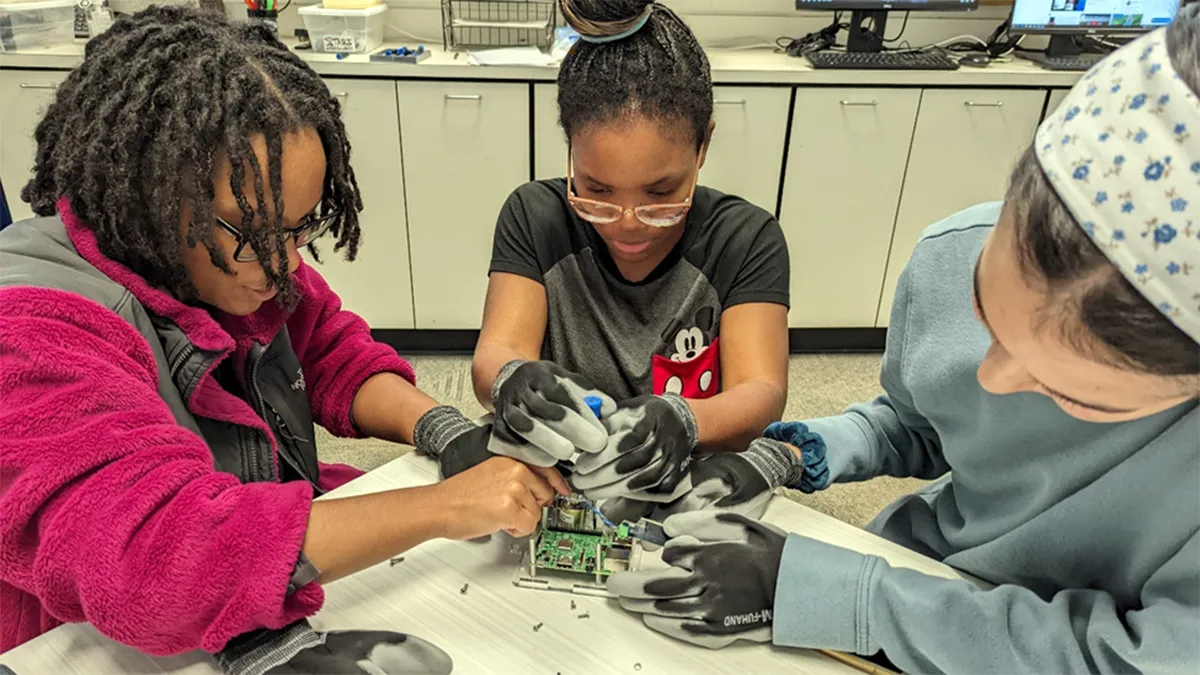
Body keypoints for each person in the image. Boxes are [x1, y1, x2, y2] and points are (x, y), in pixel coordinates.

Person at [608, 12, 1200, 672]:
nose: (992, 379)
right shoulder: (949, 251)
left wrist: (843, 599)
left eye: (1069, 389)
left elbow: (1127, 659)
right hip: (911, 571)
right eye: (985, 312)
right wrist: (789, 455)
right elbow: (920, 421)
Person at [0, 8, 567, 669]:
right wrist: (442, 505)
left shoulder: (222, 262)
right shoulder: (32, 331)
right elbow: (161, 561)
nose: (289, 266)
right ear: (154, 197)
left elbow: (328, 347)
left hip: (244, 586)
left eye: (301, 228)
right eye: (260, 235)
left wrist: (441, 427)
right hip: (83, 643)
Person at [452, 0, 797, 516]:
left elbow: (762, 390)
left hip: (686, 476)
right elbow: (495, 355)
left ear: (703, 147)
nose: (628, 221)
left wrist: (686, 419)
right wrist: (511, 379)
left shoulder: (746, 239)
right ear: (570, 149)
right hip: (560, 477)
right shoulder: (535, 216)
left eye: (661, 193)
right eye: (596, 189)